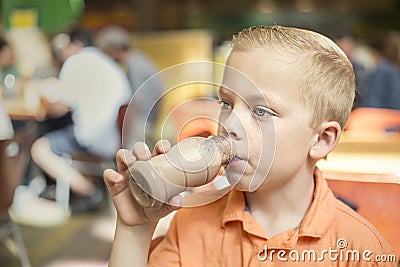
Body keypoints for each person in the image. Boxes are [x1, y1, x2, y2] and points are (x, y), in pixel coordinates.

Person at [103, 25, 395, 266]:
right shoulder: (189, 225)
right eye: (226, 103)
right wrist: (135, 230)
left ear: (321, 140)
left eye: (261, 111)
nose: (230, 124)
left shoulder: (361, 250)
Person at [31, 26, 131, 213]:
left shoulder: (76, 61)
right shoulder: (107, 63)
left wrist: (44, 94)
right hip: (116, 139)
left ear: (75, 45)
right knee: (66, 137)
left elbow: (59, 107)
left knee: (41, 148)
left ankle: (89, 192)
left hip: (94, 138)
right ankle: (88, 190)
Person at [95, 25, 164, 145]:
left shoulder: (136, 67)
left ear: (114, 50)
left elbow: (136, 102)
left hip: (141, 125)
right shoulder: (138, 61)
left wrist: (127, 134)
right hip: (146, 123)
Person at [357, 31, 400, 110]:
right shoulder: (393, 69)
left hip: (380, 118)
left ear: (373, 51)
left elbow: (374, 103)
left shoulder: (383, 71)